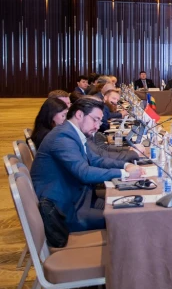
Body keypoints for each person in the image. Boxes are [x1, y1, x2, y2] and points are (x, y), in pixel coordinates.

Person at [30, 98, 144, 234]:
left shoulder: (73, 132)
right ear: (79, 115)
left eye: (99, 121)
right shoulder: (62, 137)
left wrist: (125, 165)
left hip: (82, 198)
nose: (97, 126)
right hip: (67, 210)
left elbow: (96, 160)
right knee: (129, 219)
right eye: (95, 119)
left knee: (132, 208)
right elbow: (84, 173)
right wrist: (124, 174)